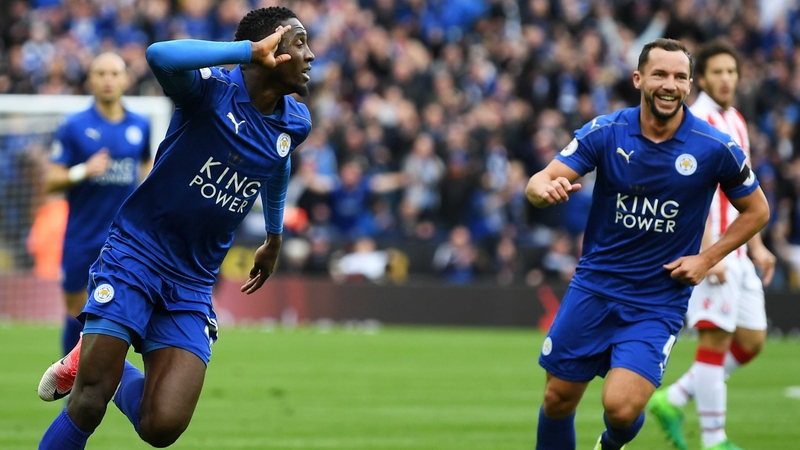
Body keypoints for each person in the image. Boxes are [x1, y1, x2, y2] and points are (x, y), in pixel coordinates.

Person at [35, 6, 314, 449]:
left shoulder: (295, 121)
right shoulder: (210, 92)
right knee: (90, 400)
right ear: (271, 51)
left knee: (161, 427)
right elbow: (159, 54)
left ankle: (100, 361)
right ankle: (95, 365)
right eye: (299, 43)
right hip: (137, 254)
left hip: (193, 281)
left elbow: (278, 159)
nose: (311, 55)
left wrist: (274, 235)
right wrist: (244, 51)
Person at [525, 38, 769, 450]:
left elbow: (757, 211)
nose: (669, 84)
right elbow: (539, 180)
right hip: (595, 287)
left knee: (620, 408)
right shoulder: (607, 131)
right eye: (659, 74)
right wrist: (544, 190)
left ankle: (612, 442)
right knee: (557, 397)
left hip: (657, 300)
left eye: (679, 77)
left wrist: (707, 259)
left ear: (690, 85)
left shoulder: (714, 146)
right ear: (639, 79)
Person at [648, 41, 776, 450]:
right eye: (717, 72)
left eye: (732, 72)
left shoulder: (735, 119)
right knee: (714, 342)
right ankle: (714, 439)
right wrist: (707, 253)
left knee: (752, 339)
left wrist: (756, 248)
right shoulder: (694, 119)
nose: (726, 79)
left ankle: (676, 396)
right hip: (710, 251)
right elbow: (690, 190)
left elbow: (744, 190)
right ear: (700, 79)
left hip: (737, 250)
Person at [46, 52, 153, 358]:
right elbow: (51, 181)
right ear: (90, 80)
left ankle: (104, 383)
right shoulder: (74, 126)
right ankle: (70, 383)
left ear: (125, 79)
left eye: (114, 73)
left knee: (116, 316)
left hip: (123, 239)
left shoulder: (140, 125)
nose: (108, 80)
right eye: (100, 73)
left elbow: (147, 166)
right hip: (81, 234)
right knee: (75, 310)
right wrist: (83, 170)